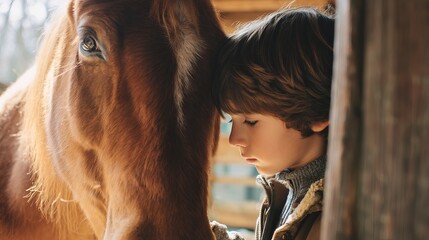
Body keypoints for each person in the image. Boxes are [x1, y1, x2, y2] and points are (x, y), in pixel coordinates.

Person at [210, 7, 335, 240]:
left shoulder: (335, 214)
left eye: (250, 121)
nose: (234, 139)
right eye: (232, 120)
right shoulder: (283, 190)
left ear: (315, 115)